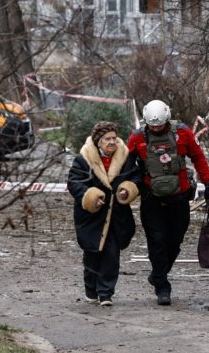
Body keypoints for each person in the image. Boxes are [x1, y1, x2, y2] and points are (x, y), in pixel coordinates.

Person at [127, 99, 209, 306]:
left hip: (179, 196)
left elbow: (198, 157)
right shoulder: (137, 138)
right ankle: (162, 286)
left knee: (175, 240)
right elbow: (126, 165)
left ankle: (158, 272)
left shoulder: (183, 133)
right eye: (152, 126)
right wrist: (124, 187)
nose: (156, 128)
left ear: (167, 119)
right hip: (151, 198)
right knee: (156, 241)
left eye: (159, 125)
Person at [67, 121, 141, 307]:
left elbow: (137, 177)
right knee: (92, 252)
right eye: (107, 139)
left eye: (114, 138)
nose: (111, 142)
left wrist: (128, 189)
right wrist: (91, 196)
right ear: (98, 141)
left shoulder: (125, 158)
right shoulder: (83, 159)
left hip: (117, 215)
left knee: (112, 254)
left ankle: (106, 293)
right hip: (91, 216)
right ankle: (91, 288)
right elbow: (74, 182)